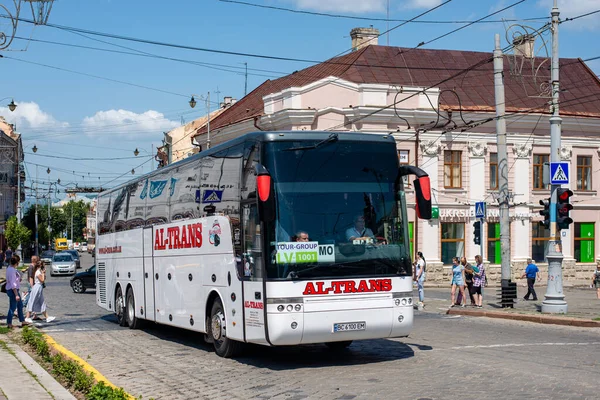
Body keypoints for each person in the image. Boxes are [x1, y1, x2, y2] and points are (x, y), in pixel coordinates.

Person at [5, 257, 30, 329]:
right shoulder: (12, 270)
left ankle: (23, 321)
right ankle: (9, 323)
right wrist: (16, 295)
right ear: (16, 263)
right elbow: (13, 283)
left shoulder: (9, 268)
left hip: (12, 290)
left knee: (20, 305)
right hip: (13, 291)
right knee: (12, 307)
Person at [24, 255, 39, 320]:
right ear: (35, 261)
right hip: (31, 284)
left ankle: (34, 314)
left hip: (33, 284)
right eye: (38, 260)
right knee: (28, 299)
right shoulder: (31, 267)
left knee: (33, 299)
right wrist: (32, 286)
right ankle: (16, 309)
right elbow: (31, 277)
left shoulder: (33, 267)